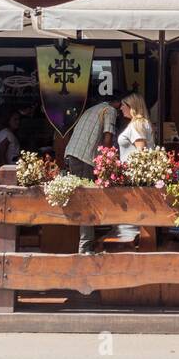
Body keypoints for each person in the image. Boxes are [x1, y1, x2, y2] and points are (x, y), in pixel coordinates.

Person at [64, 93, 124, 254]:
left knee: (81, 198)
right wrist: (107, 162)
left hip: (72, 153)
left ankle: (85, 243)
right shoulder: (109, 110)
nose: (123, 110)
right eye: (123, 106)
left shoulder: (93, 109)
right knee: (87, 200)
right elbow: (107, 138)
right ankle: (85, 247)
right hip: (85, 157)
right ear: (117, 103)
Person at [117, 93, 154, 162]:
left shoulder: (137, 124)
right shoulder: (141, 123)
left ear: (131, 106)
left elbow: (141, 152)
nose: (121, 108)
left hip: (132, 170)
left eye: (123, 105)